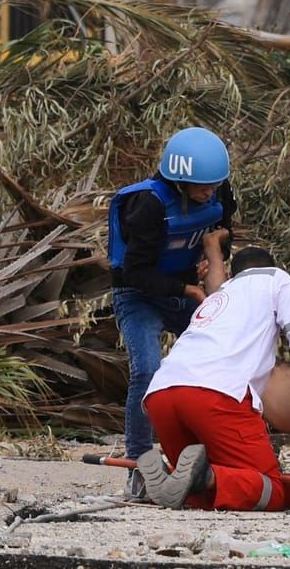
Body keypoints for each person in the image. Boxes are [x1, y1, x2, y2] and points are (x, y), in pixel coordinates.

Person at [138, 244, 290, 510]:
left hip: (161, 394)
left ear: (233, 273)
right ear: (271, 266)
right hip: (216, 393)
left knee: (195, 499)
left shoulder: (219, 296)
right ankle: (204, 476)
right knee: (270, 489)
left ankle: (173, 480)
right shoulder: (274, 278)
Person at [108, 127, 236, 485]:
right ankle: (138, 464)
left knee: (214, 364)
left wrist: (211, 255)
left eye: (215, 185)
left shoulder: (217, 190)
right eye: (201, 187)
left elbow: (224, 232)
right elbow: (135, 272)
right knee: (147, 370)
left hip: (187, 286)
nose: (209, 192)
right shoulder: (147, 206)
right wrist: (189, 289)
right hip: (140, 294)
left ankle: (214, 454)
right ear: (179, 181)